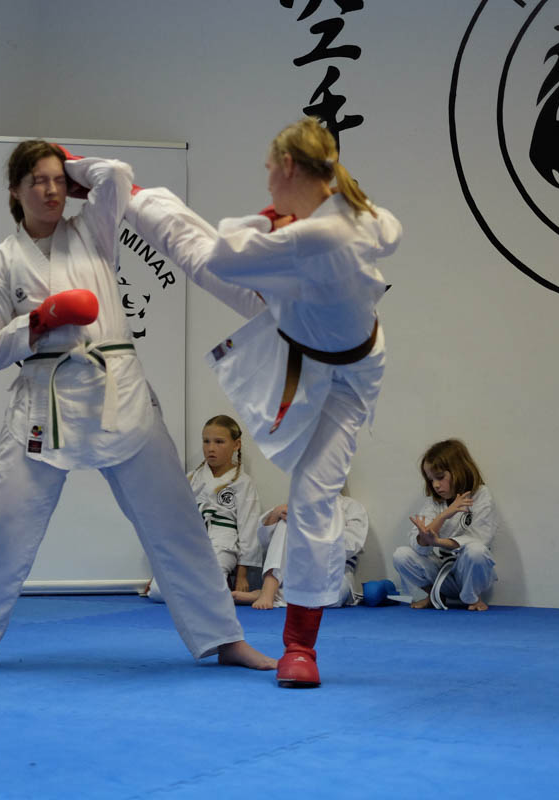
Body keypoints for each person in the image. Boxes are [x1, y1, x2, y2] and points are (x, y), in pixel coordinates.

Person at [0, 140, 274, 671]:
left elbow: (118, 176)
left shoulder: (92, 230)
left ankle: (226, 638)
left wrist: (76, 167)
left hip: (119, 393)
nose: (50, 190)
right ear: (14, 191)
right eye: (37, 181)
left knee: (176, 520)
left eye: (57, 180)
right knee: (0, 520)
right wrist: (37, 321)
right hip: (45, 402)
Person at [126, 117, 401, 687]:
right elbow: (390, 232)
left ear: (289, 167)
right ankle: (125, 192)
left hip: (346, 377)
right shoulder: (349, 217)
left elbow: (229, 256)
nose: (267, 179)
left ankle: (300, 646)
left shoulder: (318, 233)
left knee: (313, 498)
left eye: (270, 170)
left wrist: (274, 219)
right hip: (293, 325)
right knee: (194, 256)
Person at [146, 414, 262, 601]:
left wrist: (242, 575)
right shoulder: (192, 478)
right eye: (206, 441)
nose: (211, 448)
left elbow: (249, 529)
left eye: (219, 442)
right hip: (191, 541)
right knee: (157, 592)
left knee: (209, 590)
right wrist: (160, 570)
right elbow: (176, 522)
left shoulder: (243, 482)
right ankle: (213, 590)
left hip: (223, 542)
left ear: (236, 445)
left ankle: (219, 586)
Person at [392, 439, 496, 611]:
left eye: (440, 477)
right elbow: (420, 545)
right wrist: (445, 515)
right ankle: (435, 594)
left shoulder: (481, 495)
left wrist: (438, 542)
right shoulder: (434, 503)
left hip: (467, 574)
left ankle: (472, 597)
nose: (435, 485)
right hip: (441, 575)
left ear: (459, 470)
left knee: (477, 551)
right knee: (401, 555)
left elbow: (480, 540)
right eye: (431, 480)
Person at [234, 492, 368, 610]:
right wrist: (275, 514)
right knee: (286, 518)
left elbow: (353, 544)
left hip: (334, 573)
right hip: (296, 572)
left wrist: (312, 532)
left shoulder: (350, 506)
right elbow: (265, 542)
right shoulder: (298, 504)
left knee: (333, 595)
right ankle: (269, 587)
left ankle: (270, 595)